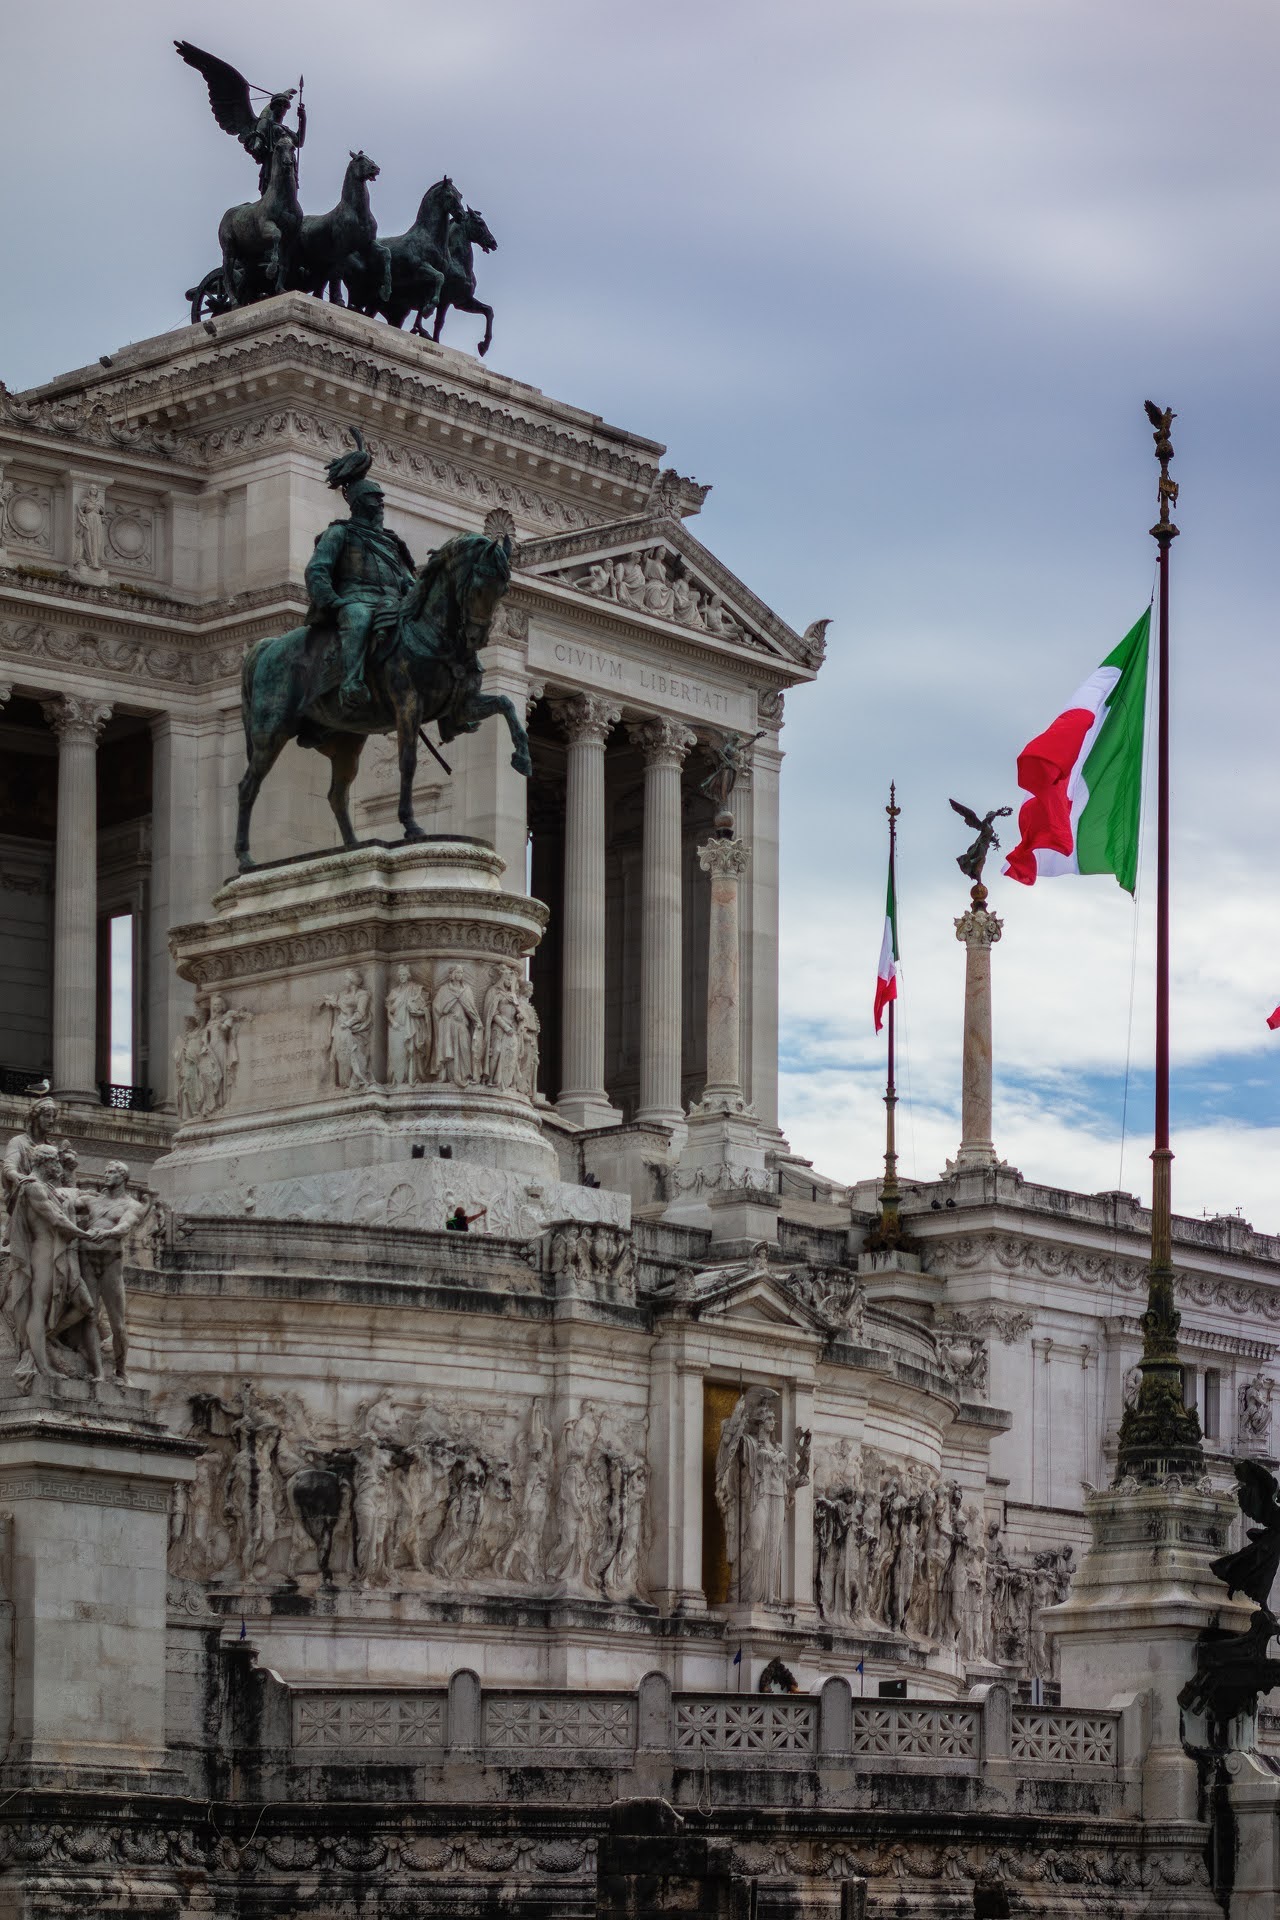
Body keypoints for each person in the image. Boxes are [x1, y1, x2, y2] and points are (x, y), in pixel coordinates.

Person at [305, 445, 417, 717]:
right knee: (358, 619)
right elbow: (317, 569)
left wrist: (416, 592)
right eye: (374, 499)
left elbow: (405, 578)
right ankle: (351, 682)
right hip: (355, 599)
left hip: (391, 601)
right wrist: (332, 600)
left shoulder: (391, 542)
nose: (380, 504)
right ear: (358, 503)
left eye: (381, 499)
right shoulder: (340, 534)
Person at [79, 1161, 149, 1384]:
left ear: (123, 1177)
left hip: (111, 1263)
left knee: (117, 1323)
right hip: (88, 1260)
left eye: (111, 1172)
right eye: (105, 1171)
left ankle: (121, 1371)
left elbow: (126, 1227)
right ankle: (97, 1371)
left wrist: (108, 1232)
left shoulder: (132, 1205)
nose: (106, 1175)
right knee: (89, 1315)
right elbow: (65, 1201)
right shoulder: (92, 1200)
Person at [431, 966, 481, 1088]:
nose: (460, 974)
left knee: (464, 1048)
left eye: (461, 972)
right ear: (452, 974)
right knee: (450, 1050)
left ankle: (464, 1075)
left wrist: (477, 1020)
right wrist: (446, 1009)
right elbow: (436, 1007)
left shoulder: (466, 990)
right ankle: (450, 1076)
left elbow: (471, 1008)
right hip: (448, 1024)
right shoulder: (444, 989)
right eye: (457, 972)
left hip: (462, 1024)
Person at [386, 965, 432, 1086]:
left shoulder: (415, 989)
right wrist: (393, 1022)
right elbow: (389, 1011)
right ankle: (397, 1079)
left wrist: (421, 1012)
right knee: (397, 1052)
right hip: (397, 1026)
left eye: (404, 975)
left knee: (411, 1050)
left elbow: (425, 1005)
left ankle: (412, 1077)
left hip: (411, 1024)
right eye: (400, 975)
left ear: (408, 976)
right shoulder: (394, 992)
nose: (402, 977)